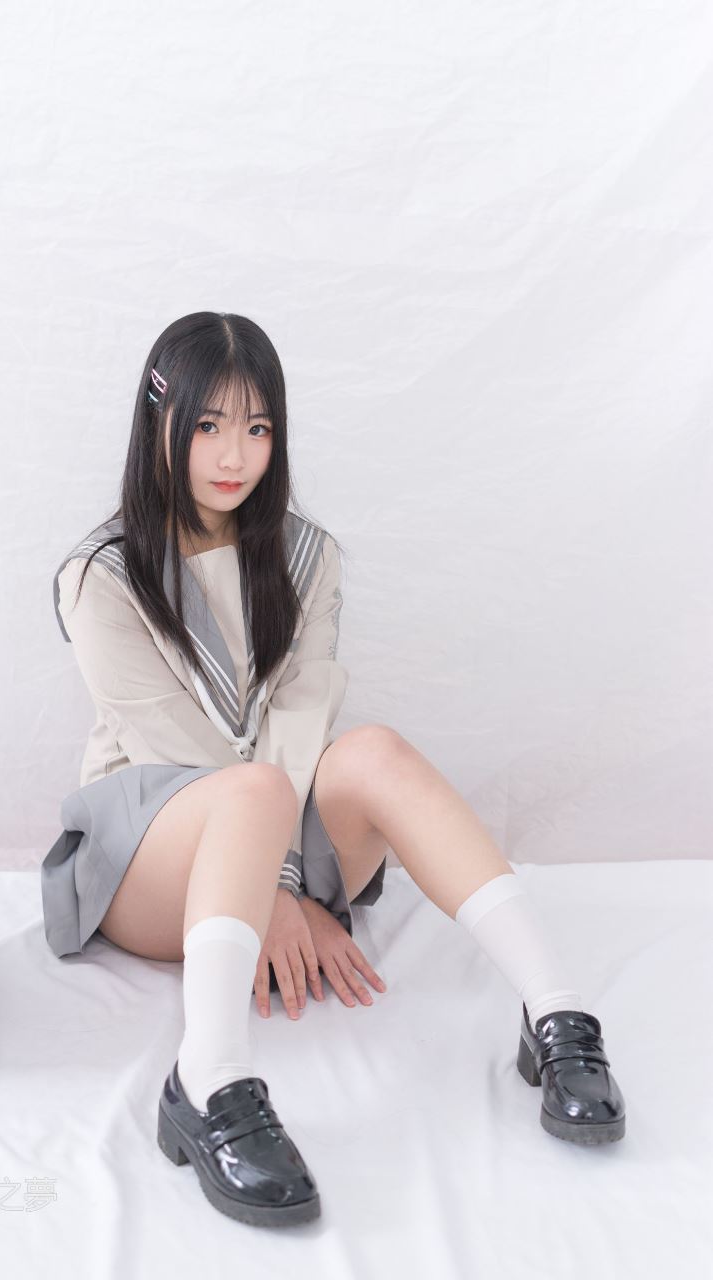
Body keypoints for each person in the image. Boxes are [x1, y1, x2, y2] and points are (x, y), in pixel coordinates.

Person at [41, 311, 626, 1228]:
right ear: (159, 420)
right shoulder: (103, 575)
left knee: (373, 751)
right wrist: (278, 891)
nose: (234, 455)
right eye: (208, 424)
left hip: (268, 815)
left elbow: (301, 718)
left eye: (257, 427)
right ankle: (209, 1080)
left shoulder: (305, 556)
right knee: (250, 789)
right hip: (147, 847)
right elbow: (170, 748)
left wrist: (279, 878)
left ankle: (557, 1014)